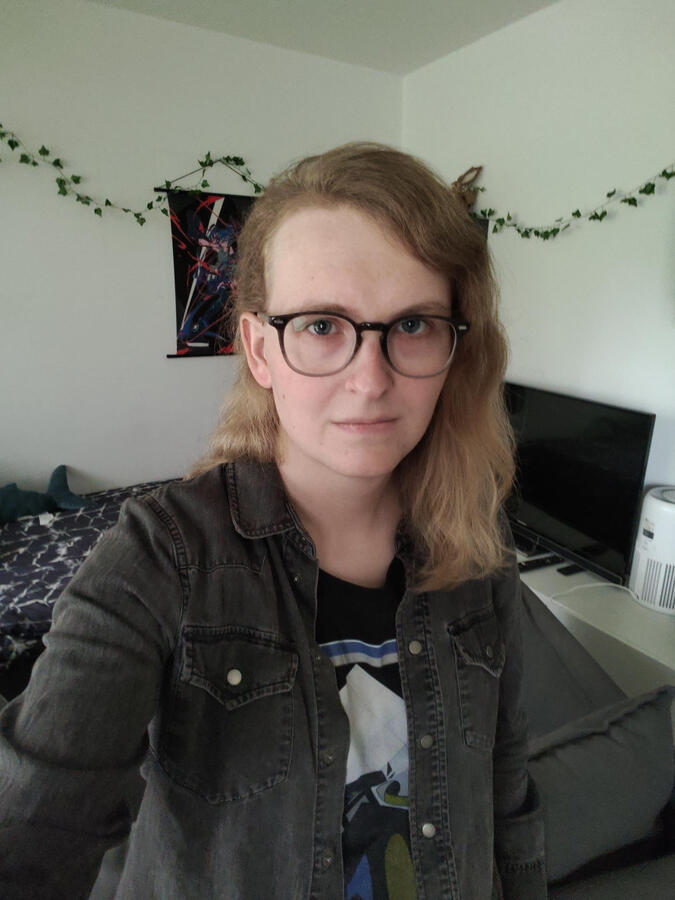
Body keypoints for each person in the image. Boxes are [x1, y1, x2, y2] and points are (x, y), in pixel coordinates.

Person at [0, 143, 546, 899]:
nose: (370, 379)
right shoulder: (160, 556)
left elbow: (507, 795)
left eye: (413, 324)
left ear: (454, 347)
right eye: (322, 325)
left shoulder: (481, 556)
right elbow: (34, 819)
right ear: (260, 349)